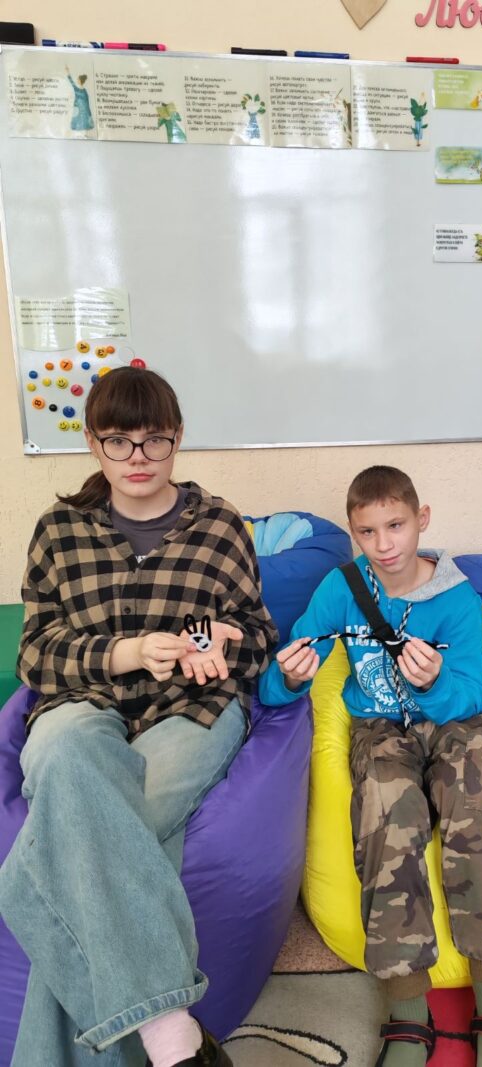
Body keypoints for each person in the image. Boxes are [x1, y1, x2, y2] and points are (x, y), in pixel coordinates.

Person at [0, 367, 276, 1067]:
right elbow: (34, 654)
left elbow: (258, 639)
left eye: (155, 440)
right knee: (74, 773)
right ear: (94, 444)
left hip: (190, 709)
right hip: (80, 705)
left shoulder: (220, 527)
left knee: (59, 860)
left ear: (177, 438)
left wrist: (225, 644)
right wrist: (124, 653)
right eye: (119, 442)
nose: (138, 458)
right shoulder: (59, 530)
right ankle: (173, 1037)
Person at [260, 465, 482, 1067]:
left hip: (459, 719)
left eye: (396, 526)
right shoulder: (341, 588)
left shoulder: (456, 597)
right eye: (367, 531)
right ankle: (407, 1011)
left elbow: (471, 694)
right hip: (380, 727)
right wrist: (289, 677)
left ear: (421, 520)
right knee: (386, 811)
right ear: (353, 532)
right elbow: (280, 680)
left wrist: (433, 685)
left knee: (476, 804)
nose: (383, 545)